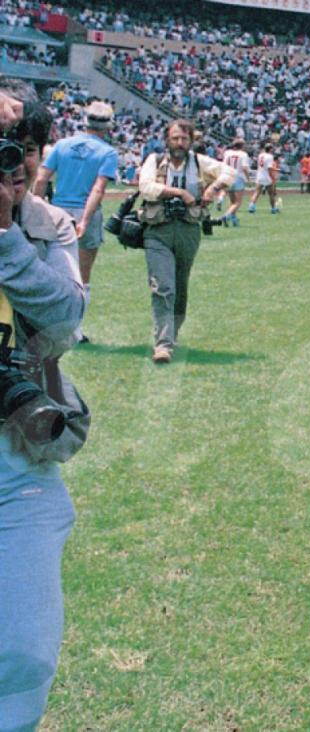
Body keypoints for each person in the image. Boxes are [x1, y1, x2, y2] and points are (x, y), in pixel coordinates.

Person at [0, 79, 88, 732]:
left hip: (16, 467)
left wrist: (5, 239)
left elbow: (65, 322)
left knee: (25, 650)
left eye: (22, 146)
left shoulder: (48, 226)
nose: (11, 160)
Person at [137, 119, 234, 363]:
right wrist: (180, 193)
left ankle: (173, 333)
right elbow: (146, 187)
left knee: (180, 285)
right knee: (163, 285)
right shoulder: (155, 160)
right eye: (175, 138)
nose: (179, 143)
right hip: (158, 230)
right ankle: (163, 344)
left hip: (189, 229)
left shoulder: (200, 163)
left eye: (184, 139)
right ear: (166, 140)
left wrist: (213, 189)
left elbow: (230, 172)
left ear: (191, 142)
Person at [32, 99, 117, 341]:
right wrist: (86, 220)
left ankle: (45, 324)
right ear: (108, 125)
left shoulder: (62, 145)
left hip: (57, 210)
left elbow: (41, 178)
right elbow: (98, 189)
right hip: (85, 210)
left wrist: (36, 207)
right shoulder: (107, 152)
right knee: (82, 276)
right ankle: (74, 330)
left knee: (53, 269)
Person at [220, 138, 252, 227]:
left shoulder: (227, 153)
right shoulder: (243, 154)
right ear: (242, 146)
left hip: (228, 176)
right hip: (238, 177)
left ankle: (234, 219)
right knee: (238, 202)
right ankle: (227, 216)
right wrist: (248, 180)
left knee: (232, 201)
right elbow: (245, 168)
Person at [247, 141, 278, 214]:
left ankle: (251, 206)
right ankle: (273, 208)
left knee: (257, 192)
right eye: (272, 149)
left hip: (259, 175)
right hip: (266, 177)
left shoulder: (260, 155)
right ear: (270, 149)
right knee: (271, 194)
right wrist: (273, 178)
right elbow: (269, 168)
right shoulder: (270, 156)